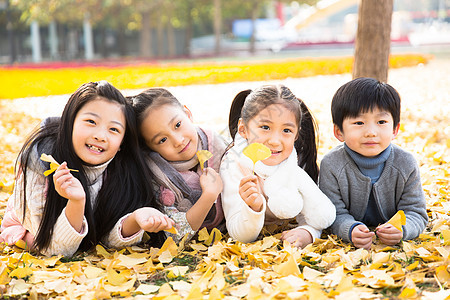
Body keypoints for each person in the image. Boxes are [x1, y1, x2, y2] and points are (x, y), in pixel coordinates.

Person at [0, 81, 173, 257]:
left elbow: (106, 239)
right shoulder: (40, 160)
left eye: (114, 129)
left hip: (83, 233)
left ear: (122, 142)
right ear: (70, 122)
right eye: (91, 121)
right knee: (34, 242)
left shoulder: (122, 168)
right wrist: (76, 202)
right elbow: (55, 248)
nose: (100, 136)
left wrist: (135, 219)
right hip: (32, 229)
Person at [220, 84, 336, 248]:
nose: (275, 141)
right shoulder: (234, 164)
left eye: (287, 130)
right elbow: (239, 235)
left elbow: (316, 213)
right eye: (265, 127)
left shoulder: (294, 161)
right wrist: (253, 208)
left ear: (296, 134)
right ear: (243, 129)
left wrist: (308, 232)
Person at [319, 77, 428, 250]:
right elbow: (333, 213)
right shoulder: (332, 165)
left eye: (381, 122)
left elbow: (416, 212)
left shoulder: (405, 163)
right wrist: (350, 229)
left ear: (395, 129)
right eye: (359, 123)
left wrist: (403, 229)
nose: (371, 132)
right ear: (339, 132)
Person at [129, 88, 227, 243]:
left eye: (178, 124)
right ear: (150, 148)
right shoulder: (157, 176)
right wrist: (209, 195)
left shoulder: (217, 144)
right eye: (162, 140)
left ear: (187, 114)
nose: (178, 140)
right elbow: (174, 234)